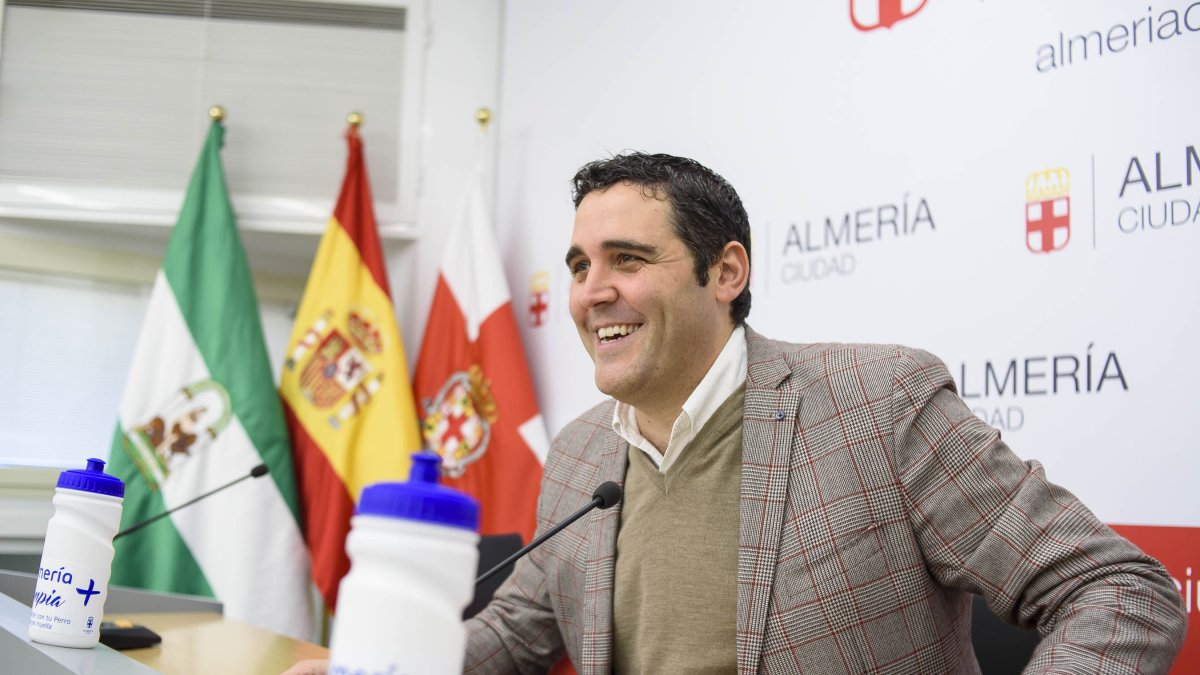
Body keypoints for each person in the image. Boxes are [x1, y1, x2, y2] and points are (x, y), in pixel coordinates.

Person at [285, 153, 1186, 675]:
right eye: (576, 265)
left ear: (727, 273)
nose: (592, 292)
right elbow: (517, 631)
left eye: (627, 258)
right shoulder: (577, 453)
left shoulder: (882, 405)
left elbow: (1124, 593)